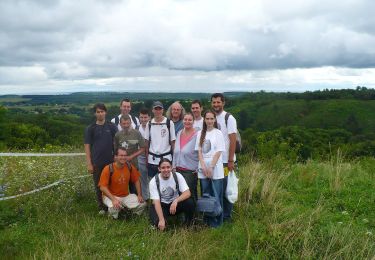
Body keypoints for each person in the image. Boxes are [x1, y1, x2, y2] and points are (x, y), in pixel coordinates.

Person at [84, 103, 118, 214]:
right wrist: (89, 163)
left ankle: (112, 205)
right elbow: (87, 146)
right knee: (99, 185)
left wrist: (117, 158)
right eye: (98, 112)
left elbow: (116, 144)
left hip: (111, 162)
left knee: (111, 184)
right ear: (95, 113)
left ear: (105, 112)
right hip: (97, 162)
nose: (100, 114)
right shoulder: (90, 129)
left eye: (102, 111)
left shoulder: (112, 126)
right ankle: (101, 207)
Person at [195, 110, 225, 227]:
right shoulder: (200, 133)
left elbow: (218, 151)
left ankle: (218, 223)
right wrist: (203, 167)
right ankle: (208, 221)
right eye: (207, 119)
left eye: (211, 119)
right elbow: (199, 152)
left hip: (215, 170)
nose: (209, 121)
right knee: (206, 196)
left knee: (216, 195)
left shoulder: (218, 133)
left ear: (215, 120)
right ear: (204, 120)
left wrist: (211, 167)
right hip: (203, 171)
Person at [211, 93, 238, 222]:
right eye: (214, 102)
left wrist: (231, 160)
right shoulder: (212, 118)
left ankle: (227, 216)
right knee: (218, 190)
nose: (216, 104)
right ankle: (219, 214)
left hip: (226, 162)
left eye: (218, 102)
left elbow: (233, 140)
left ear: (223, 103)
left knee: (227, 189)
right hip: (216, 162)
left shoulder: (229, 118)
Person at [99, 147, 146, 219]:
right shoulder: (108, 169)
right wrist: (113, 199)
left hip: (125, 196)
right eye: (121, 155)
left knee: (143, 204)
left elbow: (136, 180)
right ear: (115, 157)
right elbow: (102, 187)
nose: (123, 157)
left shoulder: (129, 166)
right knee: (114, 207)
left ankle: (131, 215)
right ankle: (113, 217)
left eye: (125, 155)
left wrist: (139, 195)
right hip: (111, 196)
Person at [149, 158, 195, 231]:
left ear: (171, 168)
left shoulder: (177, 176)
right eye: (163, 168)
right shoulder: (153, 181)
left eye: (168, 167)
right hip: (162, 205)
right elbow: (156, 202)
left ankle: (188, 224)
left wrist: (176, 201)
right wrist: (161, 220)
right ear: (159, 169)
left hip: (175, 205)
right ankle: (164, 221)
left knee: (190, 202)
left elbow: (187, 193)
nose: (166, 170)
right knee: (158, 225)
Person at [145, 101, 176, 178]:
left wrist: (174, 161)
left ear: (163, 110)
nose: (158, 111)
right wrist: (146, 159)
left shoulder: (169, 123)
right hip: (152, 160)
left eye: (160, 109)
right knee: (152, 184)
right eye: (156, 109)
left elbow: (173, 143)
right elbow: (146, 143)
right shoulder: (149, 124)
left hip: (166, 159)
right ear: (152, 110)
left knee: (167, 183)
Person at [172, 113, 199, 202]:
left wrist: (199, 168)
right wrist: (173, 166)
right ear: (183, 120)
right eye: (185, 119)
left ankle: (193, 215)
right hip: (178, 170)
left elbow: (201, 153)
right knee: (179, 193)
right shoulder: (179, 133)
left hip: (190, 171)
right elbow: (175, 152)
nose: (187, 121)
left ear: (193, 121)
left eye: (190, 120)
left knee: (189, 195)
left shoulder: (197, 135)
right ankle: (182, 213)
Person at [137, 108, 150, 200]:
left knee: (152, 178)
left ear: (149, 117)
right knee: (143, 179)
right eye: (141, 117)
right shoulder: (137, 129)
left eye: (145, 117)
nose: (143, 119)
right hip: (140, 156)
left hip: (152, 156)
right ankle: (146, 199)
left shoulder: (153, 126)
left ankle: (155, 199)